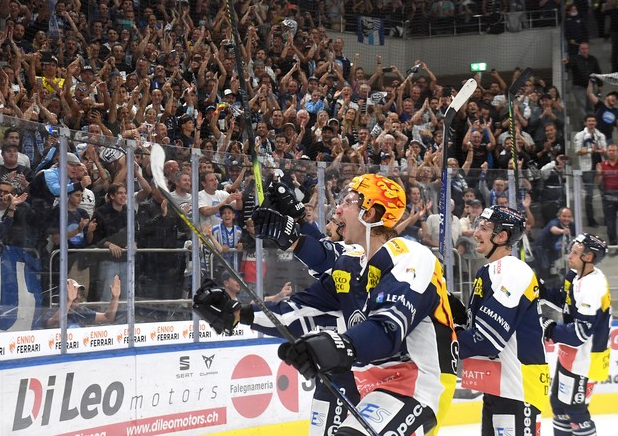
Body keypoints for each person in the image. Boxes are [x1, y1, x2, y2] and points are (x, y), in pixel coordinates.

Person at [257, 174, 457, 435]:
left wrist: (297, 229)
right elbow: (330, 256)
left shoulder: (401, 256)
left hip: (417, 375)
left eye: (347, 206)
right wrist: (296, 223)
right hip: (374, 370)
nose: (336, 217)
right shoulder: (360, 256)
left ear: (370, 214)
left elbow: (324, 255)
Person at [193, 184, 365, 435]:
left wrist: (294, 234)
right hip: (344, 377)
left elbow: (328, 255)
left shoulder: (363, 255)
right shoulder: (336, 277)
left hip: (374, 378)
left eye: (332, 224)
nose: (327, 229)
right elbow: (291, 313)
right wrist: (239, 313)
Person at [455, 205, 550, 436]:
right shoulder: (490, 271)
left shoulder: (512, 270)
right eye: (478, 226)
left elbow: (486, 339)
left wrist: (438, 340)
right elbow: (473, 325)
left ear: (502, 236)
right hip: (500, 385)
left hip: (517, 389)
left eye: (484, 228)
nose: (476, 233)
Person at [539, 233, 612, 436]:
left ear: (588, 257)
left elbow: (580, 333)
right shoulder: (575, 275)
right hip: (571, 354)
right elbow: (565, 300)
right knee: (559, 405)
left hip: (586, 359)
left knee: (575, 411)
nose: (569, 255)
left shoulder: (592, 287)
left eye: (575, 252)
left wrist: (548, 328)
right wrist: (540, 290)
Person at [42, 276, 120, 328]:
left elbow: (108, 318)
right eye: (73, 293)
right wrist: (69, 300)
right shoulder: (52, 311)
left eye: (79, 293)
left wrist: (115, 298)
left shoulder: (81, 310)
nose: (78, 297)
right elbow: (54, 322)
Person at [573, 115, 607, 227]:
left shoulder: (600, 135)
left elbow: (605, 150)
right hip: (587, 169)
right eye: (589, 121)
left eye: (593, 121)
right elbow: (577, 151)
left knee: (605, 193)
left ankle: (607, 218)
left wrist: (602, 151)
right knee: (589, 195)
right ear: (585, 123)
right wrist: (589, 150)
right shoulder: (580, 135)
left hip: (599, 167)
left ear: (596, 122)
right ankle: (591, 220)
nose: (591, 123)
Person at [595, 143, 618, 247]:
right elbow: (597, 182)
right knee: (610, 223)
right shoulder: (602, 165)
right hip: (608, 197)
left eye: (614, 150)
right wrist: (599, 174)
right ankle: (613, 245)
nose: (611, 152)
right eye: (609, 150)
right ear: (607, 152)